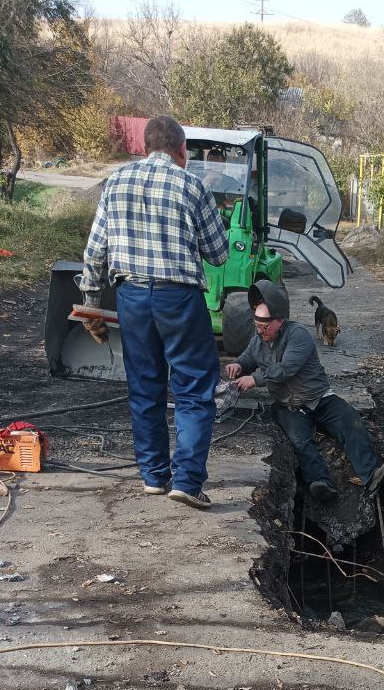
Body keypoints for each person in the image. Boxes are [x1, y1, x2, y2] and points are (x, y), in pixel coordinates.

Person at [79, 115, 229, 510]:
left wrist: (92, 303)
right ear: (182, 150)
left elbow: (96, 251)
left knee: (144, 387)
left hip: (131, 296)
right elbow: (218, 253)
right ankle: (188, 481)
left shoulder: (115, 182)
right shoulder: (191, 185)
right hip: (177, 297)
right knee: (195, 388)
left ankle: (154, 477)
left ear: (145, 148)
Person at [225, 280, 384, 502]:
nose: (260, 330)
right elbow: (248, 357)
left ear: (280, 321)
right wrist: (238, 365)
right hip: (289, 406)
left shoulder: (298, 335)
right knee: (300, 441)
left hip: (319, 399)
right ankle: (320, 482)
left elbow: (286, 369)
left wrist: (254, 379)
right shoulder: (258, 339)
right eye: (257, 325)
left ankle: (371, 475)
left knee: (351, 422)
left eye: (265, 326)